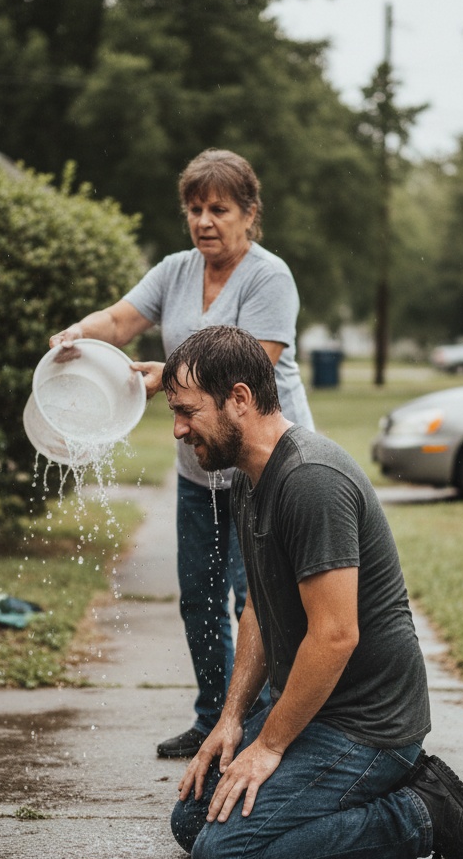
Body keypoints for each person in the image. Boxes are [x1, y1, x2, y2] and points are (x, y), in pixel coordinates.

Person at [164, 325, 463, 859]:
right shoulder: (250, 474)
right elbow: (257, 608)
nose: (178, 429)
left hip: (368, 725)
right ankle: (363, 799)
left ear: (240, 400)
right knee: (191, 820)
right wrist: (231, 719)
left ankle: (423, 814)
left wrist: (269, 745)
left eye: (187, 411)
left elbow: (334, 636)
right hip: (314, 706)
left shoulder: (310, 479)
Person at [50, 149, 313, 759]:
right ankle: (211, 718)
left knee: (259, 600)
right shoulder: (174, 271)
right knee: (199, 594)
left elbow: (251, 367)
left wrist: (167, 376)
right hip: (200, 468)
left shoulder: (269, 276)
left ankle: (262, 724)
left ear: (250, 214)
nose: (204, 221)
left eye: (219, 209)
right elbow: (119, 320)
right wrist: (78, 336)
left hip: (259, 467)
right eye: (194, 209)